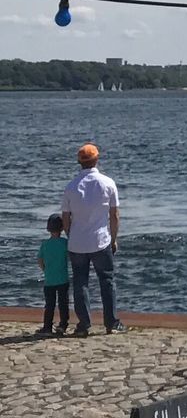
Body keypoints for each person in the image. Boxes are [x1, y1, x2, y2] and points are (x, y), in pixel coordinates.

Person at [61, 143, 124, 336]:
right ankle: (111, 323)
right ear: (97, 159)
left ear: (79, 162)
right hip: (100, 239)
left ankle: (84, 324)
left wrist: (71, 234)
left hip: (77, 241)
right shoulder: (107, 183)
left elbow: (65, 217)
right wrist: (114, 238)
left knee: (80, 283)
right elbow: (114, 215)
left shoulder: (71, 186)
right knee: (107, 280)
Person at [36, 213, 69, 336]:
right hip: (63, 279)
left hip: (49, 279)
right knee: (63, 304)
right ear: (62, 228)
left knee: (49, 305)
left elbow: (40, 261)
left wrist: (46, 270)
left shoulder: (45, 244)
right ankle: (63, 325)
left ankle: (47, 327)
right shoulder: (65, 243)